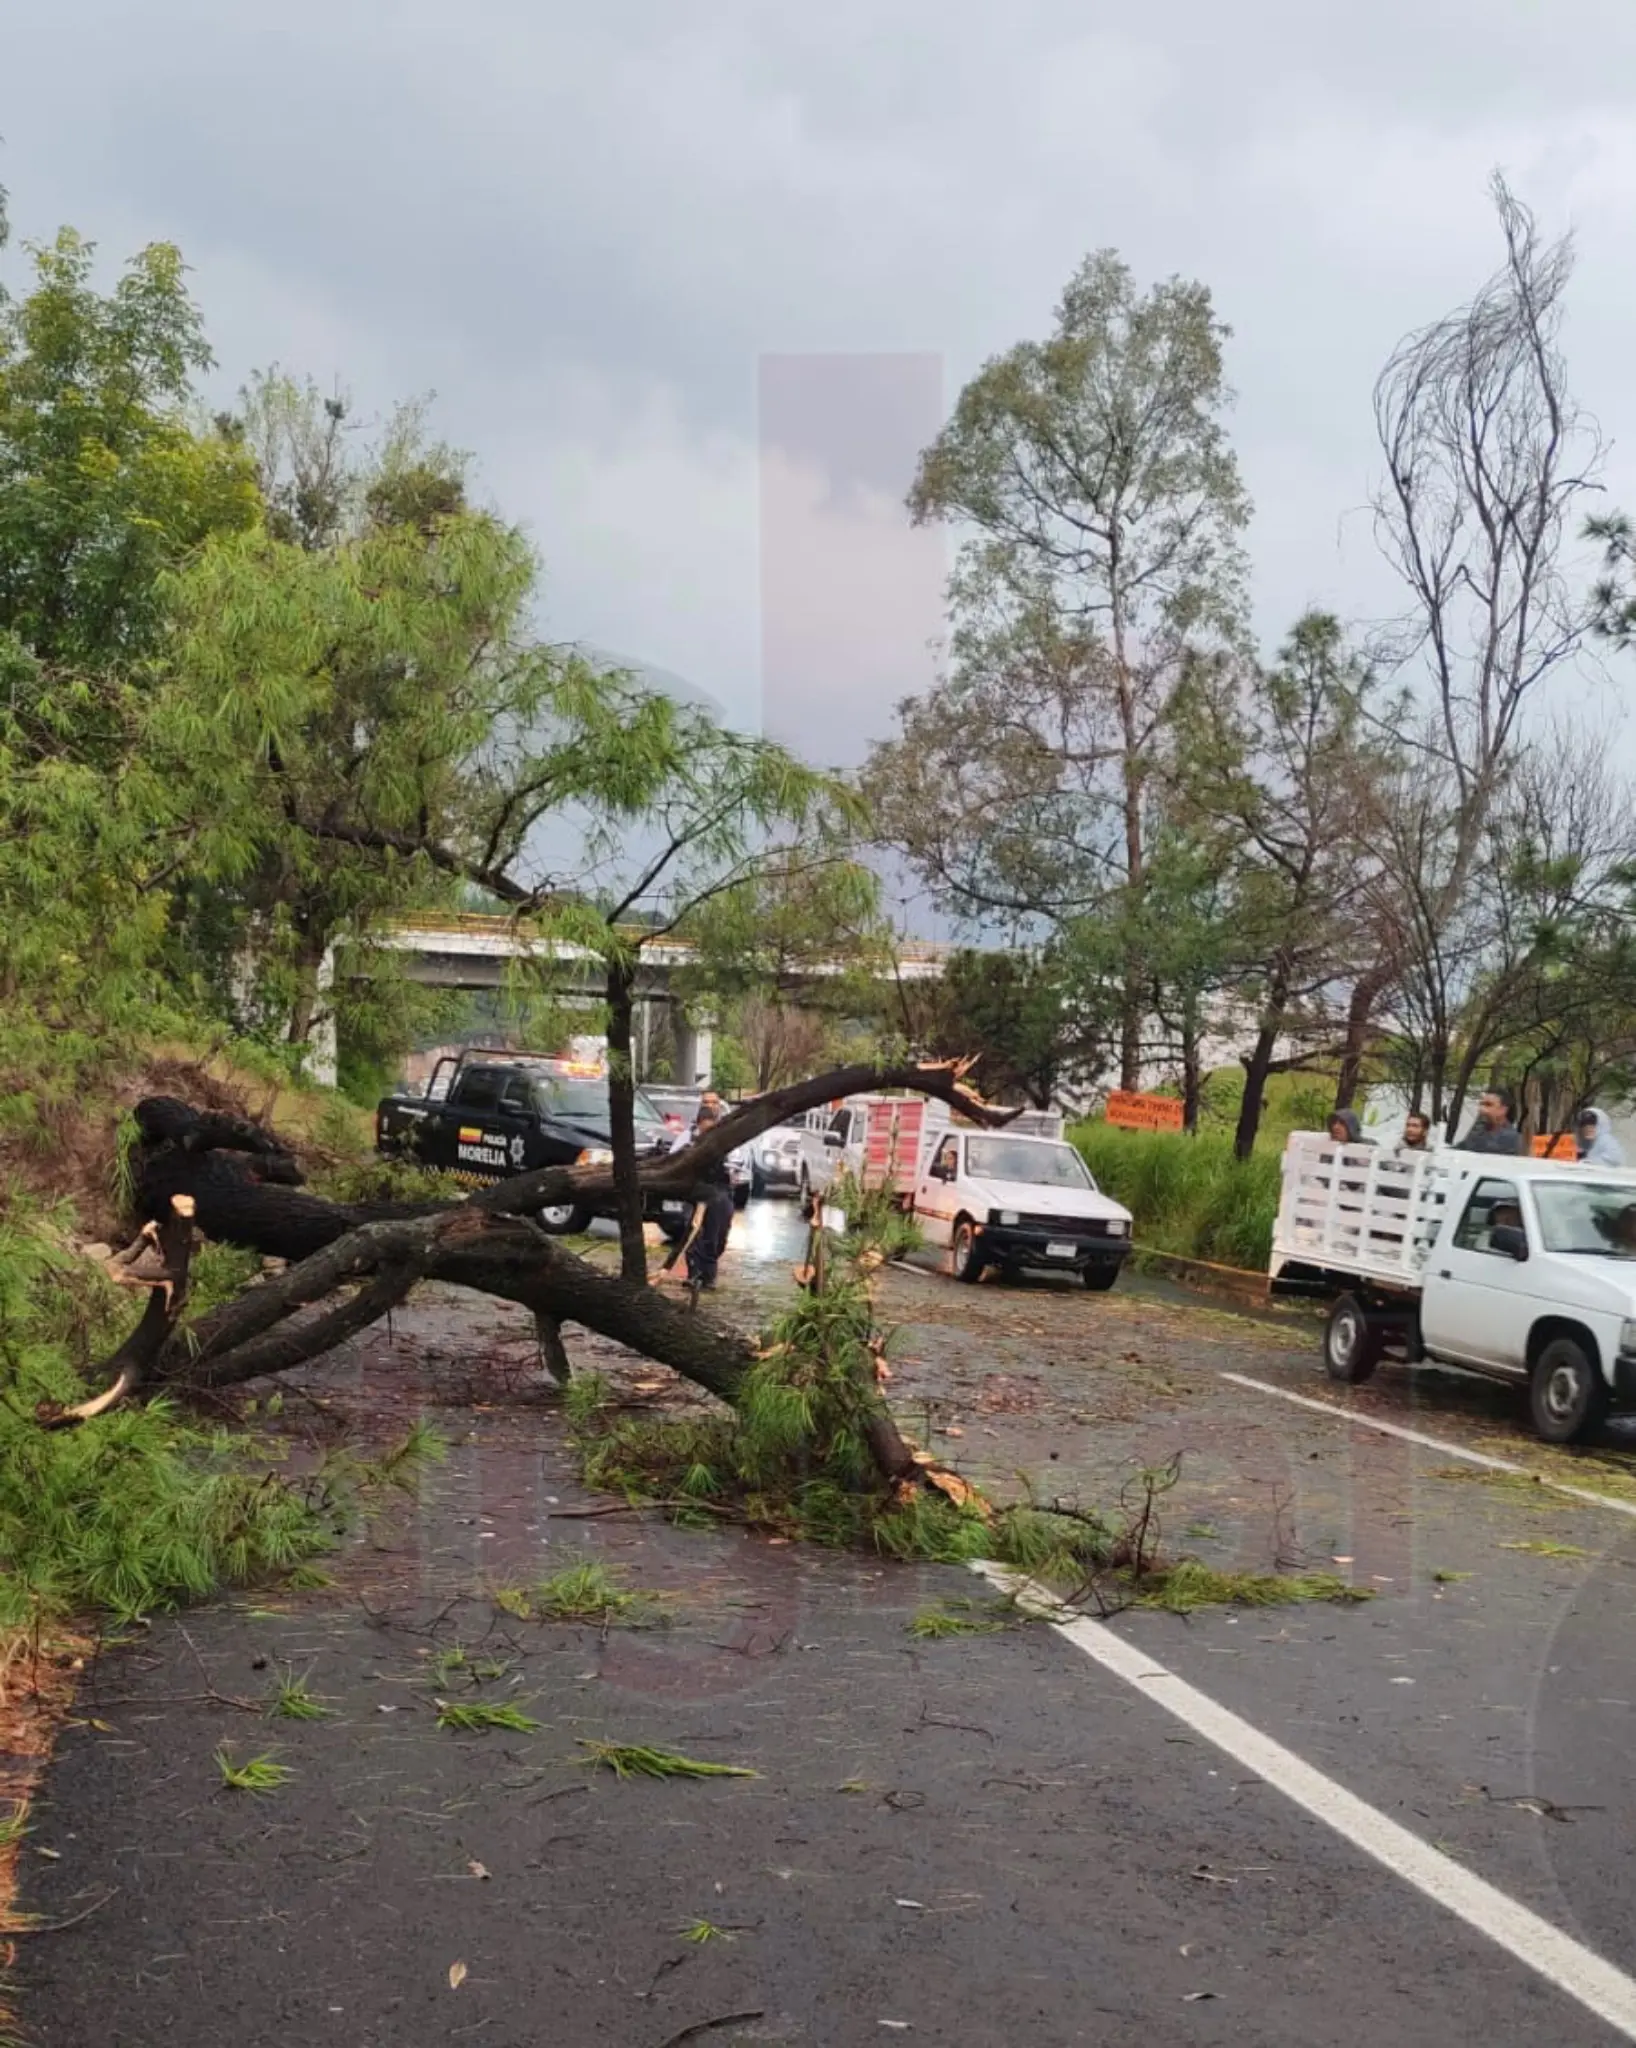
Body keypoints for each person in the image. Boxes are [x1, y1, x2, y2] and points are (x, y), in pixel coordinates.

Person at [671, 1097, 735, 1291]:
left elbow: (736, 1164)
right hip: (694, 1190)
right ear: (698, 1125)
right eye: (703, 1130)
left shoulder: (725, 1140)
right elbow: (673, 1158)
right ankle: (696, 1274)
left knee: (717, 1233)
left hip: (719, 1191)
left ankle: (708, 1271)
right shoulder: (687, 1138)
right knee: (693, 1231)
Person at [1455, 1085, 1523, 1157]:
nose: (1481, 1109)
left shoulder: (1510, 1137)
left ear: (1503, 1110)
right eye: (1481, 1104)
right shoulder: (1480, 1130)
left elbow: (1478, 1151)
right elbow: (1460, 1148)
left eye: (1488, 1105)